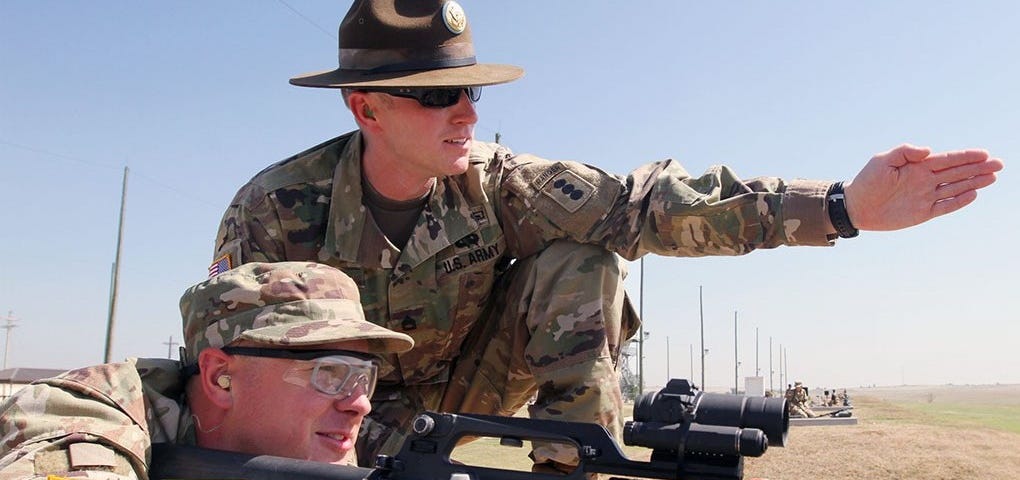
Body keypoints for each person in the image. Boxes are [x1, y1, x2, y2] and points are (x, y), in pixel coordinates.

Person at [210, 0, 1003, 471]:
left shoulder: (499, 183)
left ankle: (571, 465)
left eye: (471, 89)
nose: (469, 113)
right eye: (439, 94)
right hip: (327, 414)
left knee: (583, 255)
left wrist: (840, 208)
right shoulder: (275, 212)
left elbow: (649, 205)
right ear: (365, 107)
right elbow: (228, 372)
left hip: (469, 391)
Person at [0, 262, 413, 479]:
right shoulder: (91, 416)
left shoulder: (317, 444)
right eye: (330, 373)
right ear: (220, 377)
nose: (359, 403)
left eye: (363, 376)